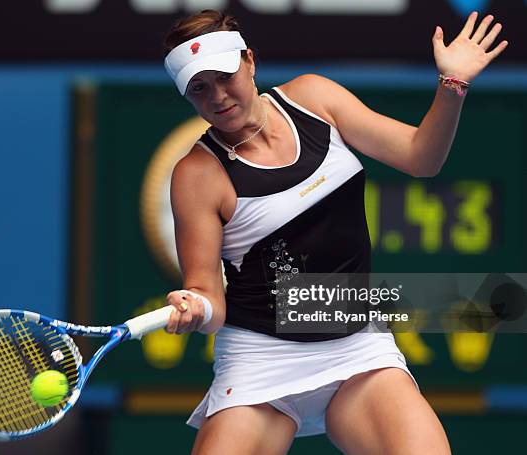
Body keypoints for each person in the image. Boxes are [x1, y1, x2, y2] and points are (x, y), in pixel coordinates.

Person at [161, 9, 507, 455]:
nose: (217, 96)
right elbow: (209, 296)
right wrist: (196, 307)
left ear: (249, 60)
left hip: (358, 350)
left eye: (224, 76)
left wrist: (453, 86)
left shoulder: (314, 98)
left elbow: (422, 158)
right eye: (199, 88)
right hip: (261, 362)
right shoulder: (197, 175)